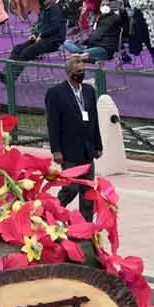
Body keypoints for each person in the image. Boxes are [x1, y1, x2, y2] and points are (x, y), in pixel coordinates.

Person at [45, 57, 102, 220]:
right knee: (71, 188)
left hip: (87, 149)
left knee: (88, 190)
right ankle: (51, 212)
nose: (81, 74)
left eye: (83, 72)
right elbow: (53, 123)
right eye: (78, 72)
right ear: (69, 73)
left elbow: (94, 119)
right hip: (68, 150)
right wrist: (56, 150)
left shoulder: (89, 91)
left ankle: (86, 225)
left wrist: (98, 145)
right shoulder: (56, 93)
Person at [0, 0, 64, 85]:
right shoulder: (43, 9)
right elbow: (39, 25)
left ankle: (11, 77)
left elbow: (56, 27)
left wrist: (42, 35)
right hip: (40, 38)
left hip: (53, 40)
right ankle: (6, 73)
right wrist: (35, 34)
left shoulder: (55, 10)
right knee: (17, 49)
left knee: (27, 52)